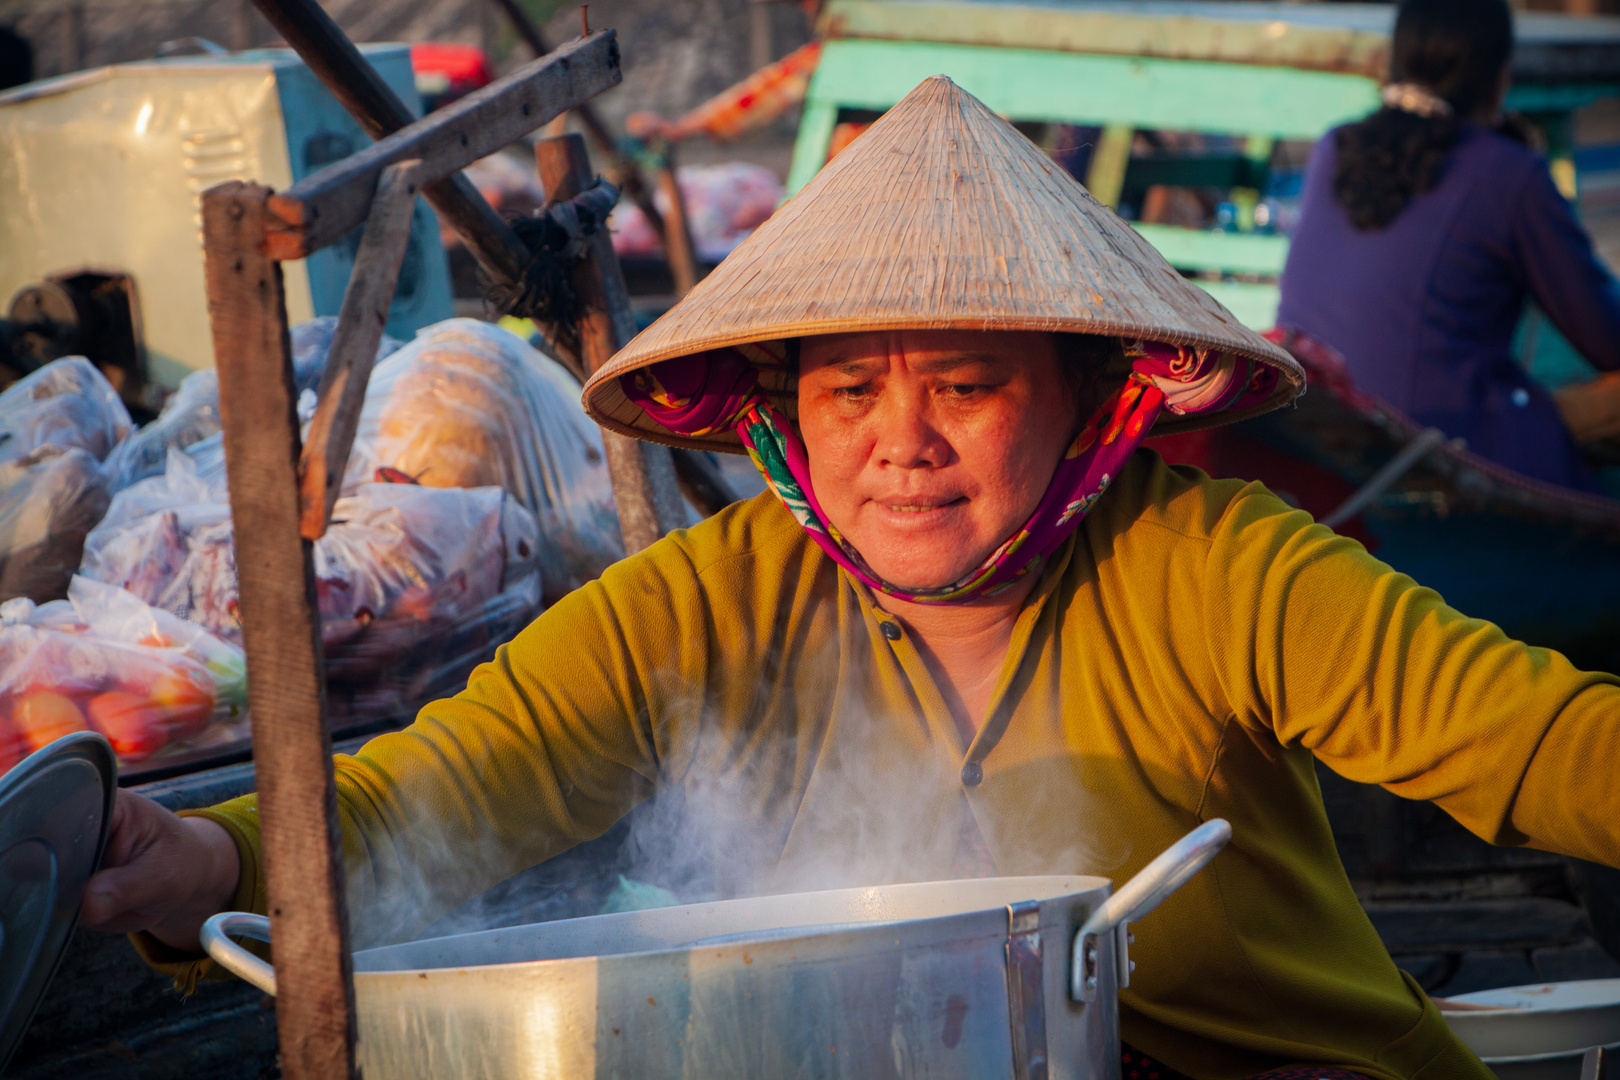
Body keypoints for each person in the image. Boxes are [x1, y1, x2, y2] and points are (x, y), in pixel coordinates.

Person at [83, 77, 1620, 1079]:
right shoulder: (707, 604)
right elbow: (437, 795)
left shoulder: (1220, 567)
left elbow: (1549, 749)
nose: (902, 447)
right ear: (779, 419)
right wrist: (204, 862)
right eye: (846, 397)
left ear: (1091, 403)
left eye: (966, 386)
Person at [1277, 0, 1620, 491]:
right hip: (1443, 447)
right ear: (1500, 79)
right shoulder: (1510, 174)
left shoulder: (1335, 145)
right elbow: (1607, 338)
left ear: (1393, 62)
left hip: (1313, 428)